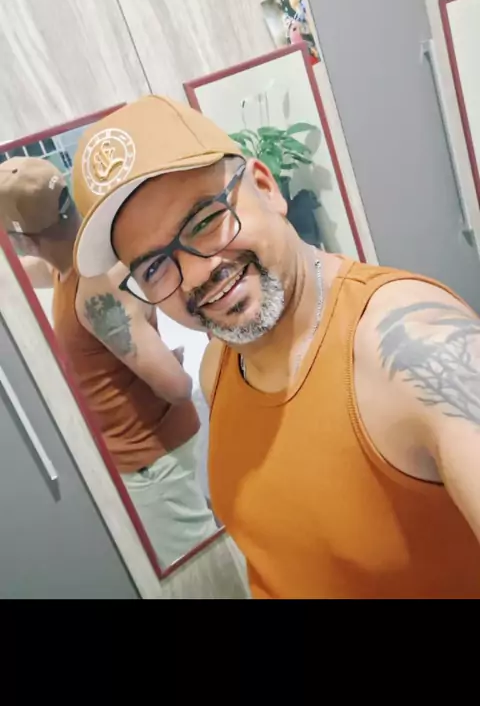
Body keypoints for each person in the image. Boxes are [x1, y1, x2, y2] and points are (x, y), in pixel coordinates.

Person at [70, 94, 480, 599]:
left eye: (205, 220)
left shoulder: (412, 350)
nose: (195, 274)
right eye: (155, 267)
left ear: (265, 187)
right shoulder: (219, 369)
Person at [0, 156, 217, 569]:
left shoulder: (93, 291)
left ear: (24, 240)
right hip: (157, 449)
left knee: (205, 577)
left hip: (151, 462)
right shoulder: (76, 263)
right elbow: (29, 271)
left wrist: (160, 364)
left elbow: (176, 386)